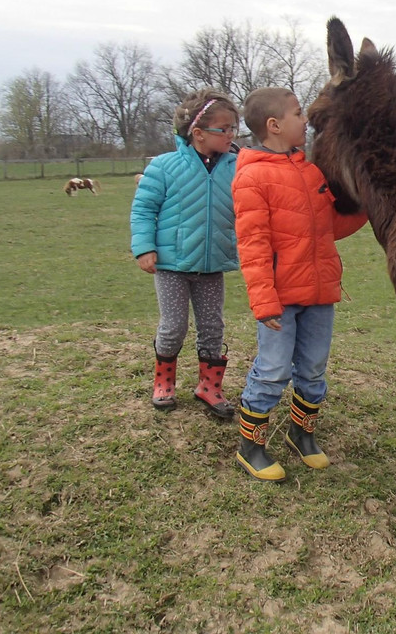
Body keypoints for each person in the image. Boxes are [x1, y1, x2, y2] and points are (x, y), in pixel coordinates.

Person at [232, 86, 367, 481]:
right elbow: (253, 246)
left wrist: (368, 208)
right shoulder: (252, 178)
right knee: (273, 370)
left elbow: (327, 226)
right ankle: (251, 445)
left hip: (319, 292)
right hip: (279, 300)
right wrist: (264, 302)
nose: (305, 120)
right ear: (274, 126)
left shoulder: (311, 172)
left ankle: (301, 434)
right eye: (297, 114)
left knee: (312, 369)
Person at [130, 88, 241, 419]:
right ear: (198, 133)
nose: (232, 135)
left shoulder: (240, 166)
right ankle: (164, 382)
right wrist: (144, 248)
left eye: (235, 128)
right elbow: (144, 209)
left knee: (212, 326)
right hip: (171, 265)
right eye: (225, 129)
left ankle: (210, 387)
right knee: (174, 325)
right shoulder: (165, 167)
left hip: (212, 263)